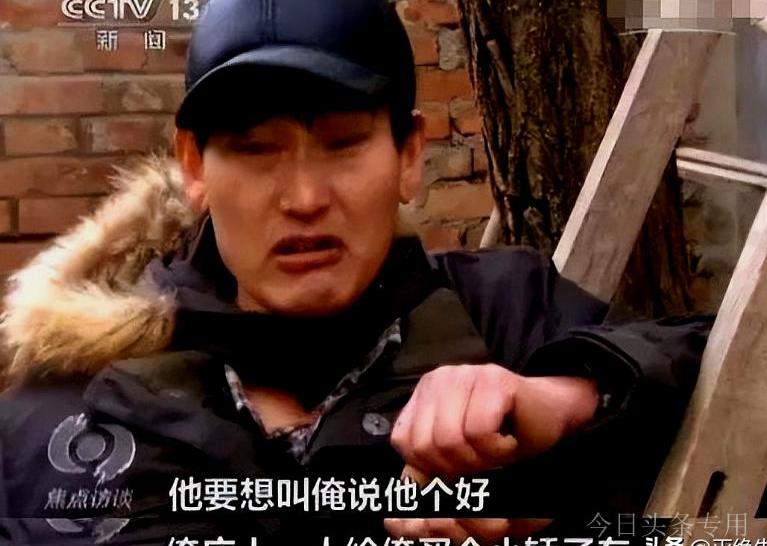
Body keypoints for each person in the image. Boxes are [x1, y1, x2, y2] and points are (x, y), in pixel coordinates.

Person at [0, 0, 718, 544]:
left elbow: (737, 396)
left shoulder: (507, 313)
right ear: (194, 168)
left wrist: (562, 402)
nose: (304, 199)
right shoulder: (72, 407)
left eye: (343, 144)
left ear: (408, 155)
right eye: (255, 150)